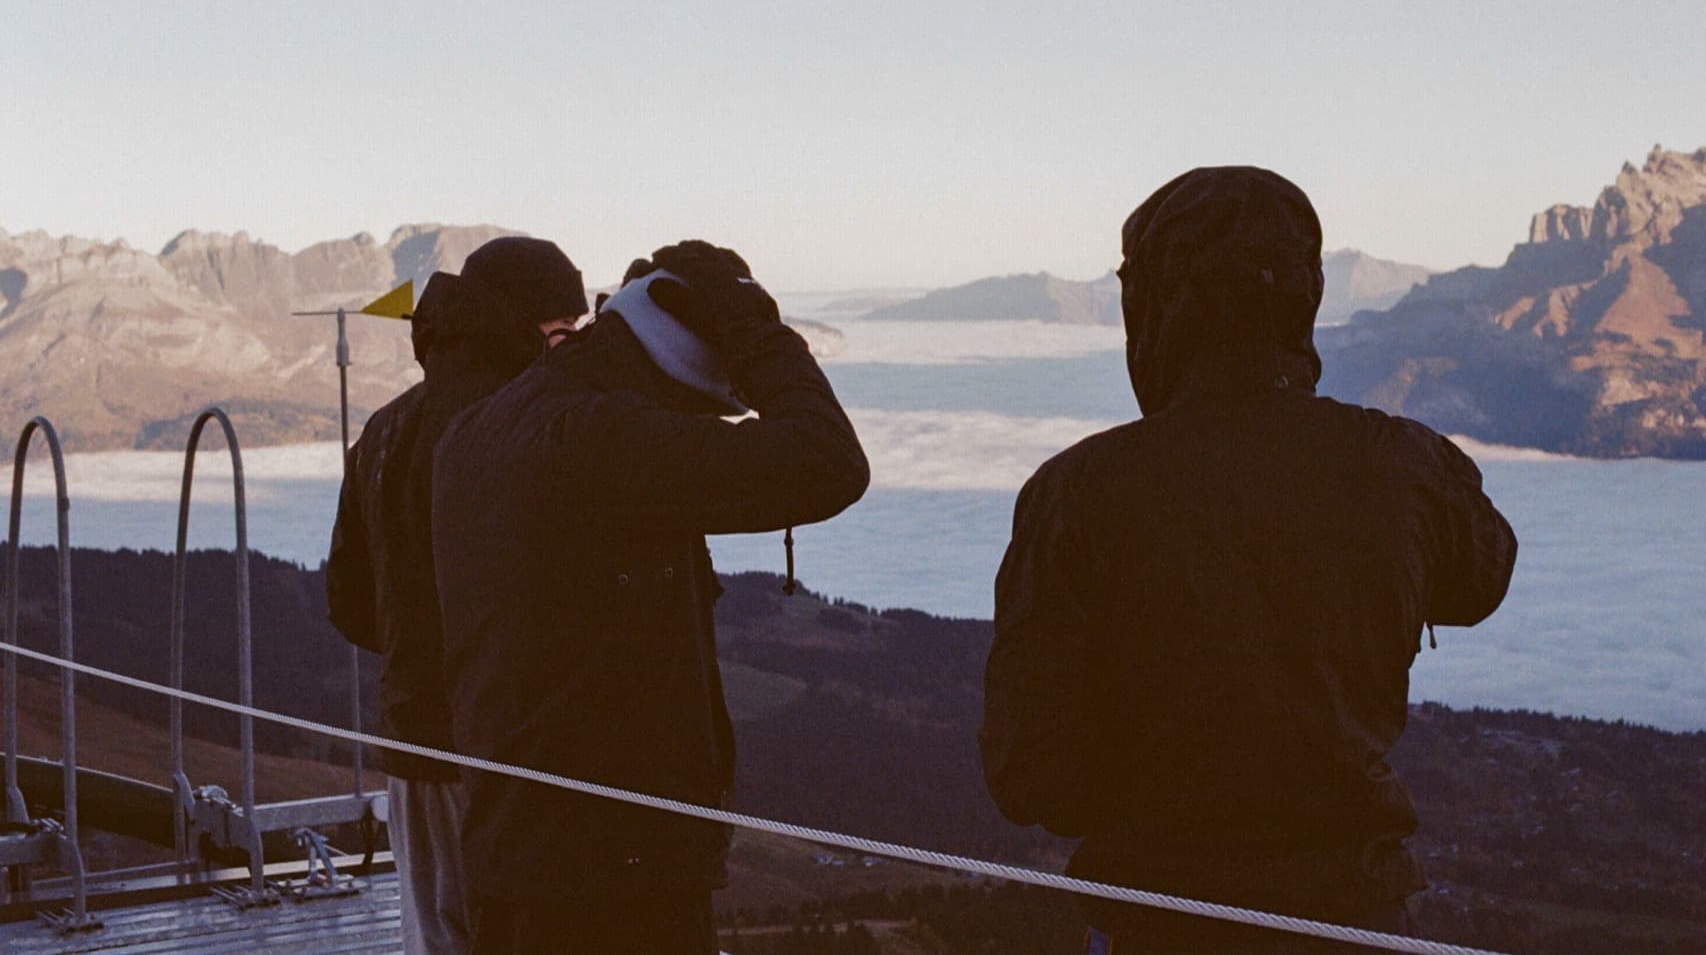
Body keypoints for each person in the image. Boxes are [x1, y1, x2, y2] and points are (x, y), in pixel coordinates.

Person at [980, 168, 1518, 954]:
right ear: (1303, 297)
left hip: (1156, 928)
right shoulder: (1401, 463)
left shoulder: (1076, 493)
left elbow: (1031, 775)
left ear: (1160, 308)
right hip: (1358, 921)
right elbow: (1482, 578)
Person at [432, 239, 869, 955]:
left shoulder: (478, 428)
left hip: (513, 849)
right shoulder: (599, 438)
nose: (689, 430)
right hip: (615, 877)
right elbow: (829, 462)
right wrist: (755, 331)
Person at [327, 237, 588, 955]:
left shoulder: (384, 429)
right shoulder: (521, 426)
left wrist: (417, 646)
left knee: (437, 938)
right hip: (512, 749)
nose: (572, 352)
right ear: (521, 327)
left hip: (414, 740)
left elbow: (349, 600)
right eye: (564, 332)